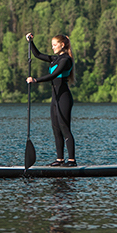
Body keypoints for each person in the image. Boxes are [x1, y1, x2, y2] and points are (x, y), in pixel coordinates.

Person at [25, 32, 76, 167]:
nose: (53, 47)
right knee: (55, 128)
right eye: (52, 45)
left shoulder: (66, 60)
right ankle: (60, 159)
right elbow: (37, 55)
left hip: (64, 97)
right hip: (55, 98)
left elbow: (54, 75)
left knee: (64, 128)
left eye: (54, 45)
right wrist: (30, 42)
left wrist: (35, 80)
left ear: (62, 45)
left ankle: (72, 160)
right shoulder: (55, 59)